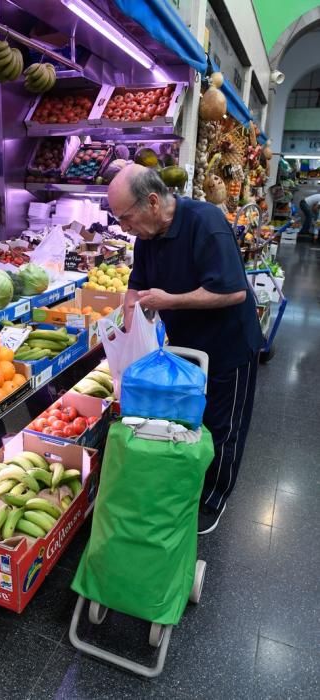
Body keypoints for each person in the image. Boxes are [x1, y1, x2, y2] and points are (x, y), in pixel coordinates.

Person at [108, 164, 264, 535]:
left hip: (229, 344)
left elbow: (234, 291)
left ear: (151, 201)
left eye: (125, 217)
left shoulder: (204, 221)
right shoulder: (146, 237)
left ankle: (213, 500)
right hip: (182, 347)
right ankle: (188, 484)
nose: (124, 228)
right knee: (189, 419)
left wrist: (169, 301)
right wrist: (130, 317)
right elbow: (137, 283)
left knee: (224, 426)